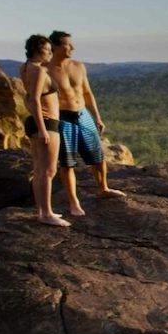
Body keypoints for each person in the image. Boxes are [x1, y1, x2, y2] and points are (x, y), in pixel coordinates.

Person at [47, 29, 125, 214]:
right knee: (67, 163)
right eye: (67, 44)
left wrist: (97, 116)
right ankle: (74, 203)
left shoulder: (78, 66)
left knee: (98, 156)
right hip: (62, 118)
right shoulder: (45, 70)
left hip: (83, 114)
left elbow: (87, 93)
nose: (72, 47)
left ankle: (104, 188)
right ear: (55, 47)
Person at [20, 34, 70, 228]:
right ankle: (47, 214)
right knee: (49, 170)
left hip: (36, 122)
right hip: (46, 123)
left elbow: (29, 97)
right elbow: (33, 99)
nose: (50, 53)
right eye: (48, 50)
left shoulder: (25, 67)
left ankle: (42, 210)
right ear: (38, 51)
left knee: (39, 170)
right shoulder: (39, 72)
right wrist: (42, 130)